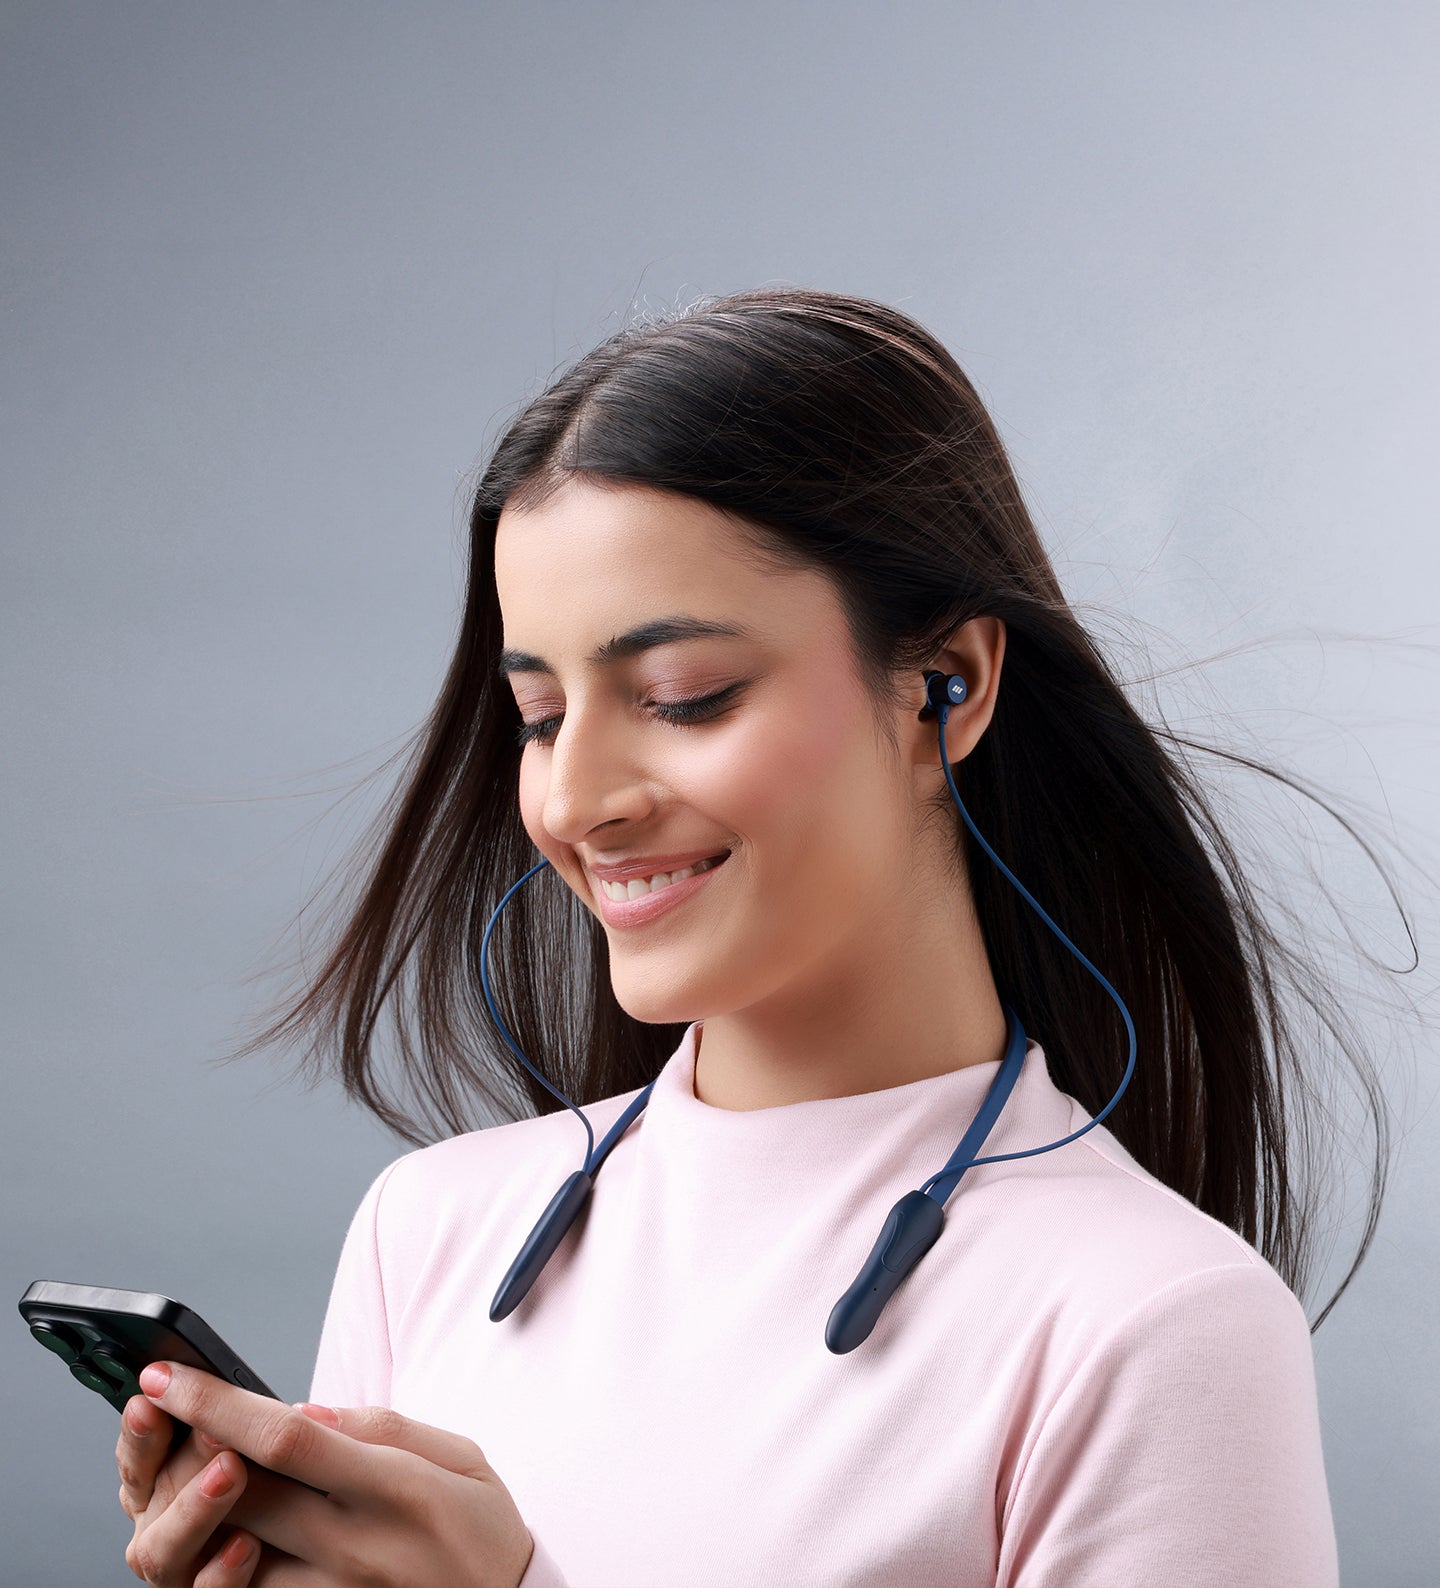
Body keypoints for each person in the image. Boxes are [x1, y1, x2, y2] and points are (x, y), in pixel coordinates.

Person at [113, 287, 1403, 1585]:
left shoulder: (1154, 1325)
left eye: (683, 697)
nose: (574, 803)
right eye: (543, 717)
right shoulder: (427, 1234)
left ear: (943, 688)